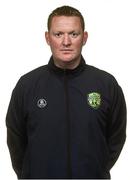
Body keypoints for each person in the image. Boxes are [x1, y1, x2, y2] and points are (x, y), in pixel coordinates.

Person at [6, 5, 127, 179]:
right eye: (58, 34)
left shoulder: (106, 84)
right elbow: (16, 141)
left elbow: (116, 137)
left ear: (84, 37)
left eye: (73, 34)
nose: (66, 42)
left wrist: (95, 169)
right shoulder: (27, 85)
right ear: (47, 38)